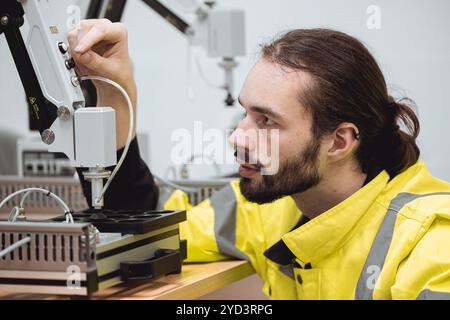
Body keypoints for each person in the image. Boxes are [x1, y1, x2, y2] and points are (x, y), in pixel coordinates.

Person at [68, 19, 450, 300]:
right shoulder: (270, 208)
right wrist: (114, 87)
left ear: (339, 141)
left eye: (266, 121)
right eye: (245, 114)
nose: (237, 137)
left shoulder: (432, 245)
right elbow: (142, 222)